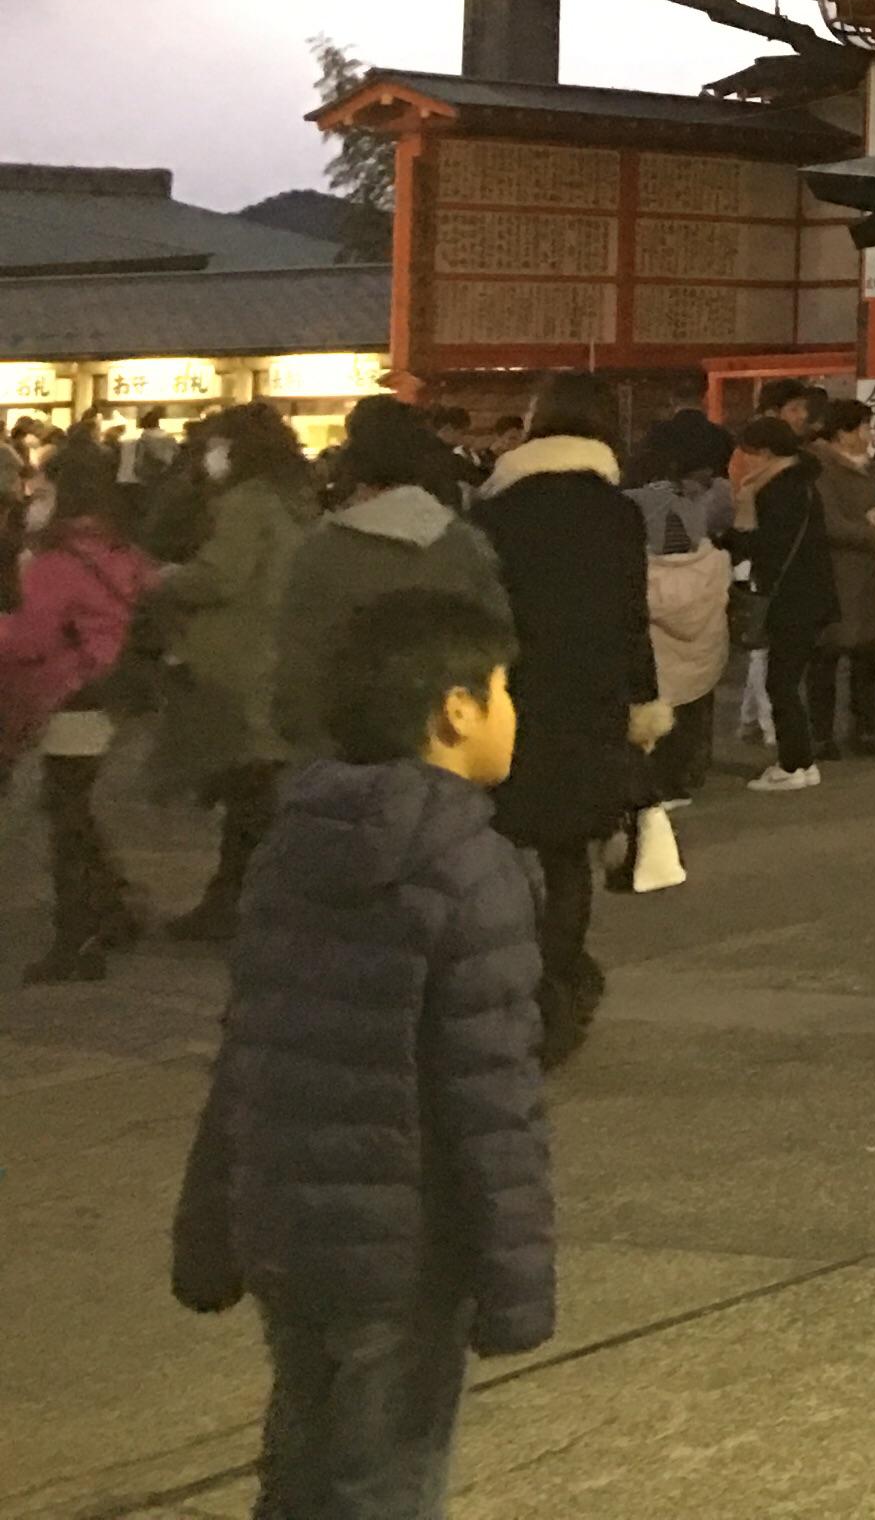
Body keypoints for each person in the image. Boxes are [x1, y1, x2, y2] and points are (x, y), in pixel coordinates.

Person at [171, 587, 553, 1519]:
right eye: (502, 689)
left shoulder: (293, 844)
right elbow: (489, 1100)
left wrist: (210, 1223)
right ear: (455, 709)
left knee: (303, 1464)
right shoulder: (468, 868)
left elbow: (251, 1055)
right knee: (384, 1480)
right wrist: (515, 1285)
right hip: (404, 1249)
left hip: (287, 1229)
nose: (512, 712)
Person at [467, 373, 662, 1063]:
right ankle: (558, 994)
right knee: (570, 855)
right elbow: (634, 618)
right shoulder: (618, 515)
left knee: (499, 845)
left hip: (509, 700)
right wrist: (643, 700)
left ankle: (502, 989)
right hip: (593, 701)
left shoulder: (493, 513)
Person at [145, 400, 316, 939]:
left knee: (246, 789)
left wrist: (164, 578)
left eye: (217, 444)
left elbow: (221, 576)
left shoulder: (247, 502)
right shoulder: (298, 501)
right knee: (256, 788)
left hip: (236, 658)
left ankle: (233, 905)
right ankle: (240, 898)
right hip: (274, 652)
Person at [272, 397, 509, 765]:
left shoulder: (324, 550)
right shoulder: (464, 546)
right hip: (445, 741)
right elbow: (496, 647)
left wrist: (300, 736)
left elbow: (298, 662)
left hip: (346, 750)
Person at [3, 452, 157, 980]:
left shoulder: (55, 561)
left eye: (42, 489)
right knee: (73, 806)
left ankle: (78, 935)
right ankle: (110, 908)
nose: (32, 498)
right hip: (107, 692)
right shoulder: (120, 549)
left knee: (65, 814)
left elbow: (29, 639)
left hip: (70, 692)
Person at [626, 411, 736, 803]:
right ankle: (688, 773)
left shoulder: (633, 503)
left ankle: (656, 777)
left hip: (655, 614)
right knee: (697, 695)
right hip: (701, 610)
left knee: (656, 694)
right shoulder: (699, 508)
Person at [725, 415, 837, 792]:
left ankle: (795, 764)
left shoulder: (778, 491)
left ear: (767, 452)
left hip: (792, 598)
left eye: (750, 454)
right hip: (809, 594)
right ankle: (801, 761)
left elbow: (765, 546)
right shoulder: (801, 483)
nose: (745, 463)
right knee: (786, 681)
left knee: (782, 683)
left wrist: (739, 524)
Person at [807, 400, 875, 758]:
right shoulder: (819, 467)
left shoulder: (872, 467)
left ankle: (864, 729)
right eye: (863, 426)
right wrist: (873, 529)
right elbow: (829, 523)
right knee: (826, 657)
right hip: (835, 572)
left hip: (870, 573)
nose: (868, 433)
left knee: (867, 655)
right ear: (843, 432)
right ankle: (821, 735)